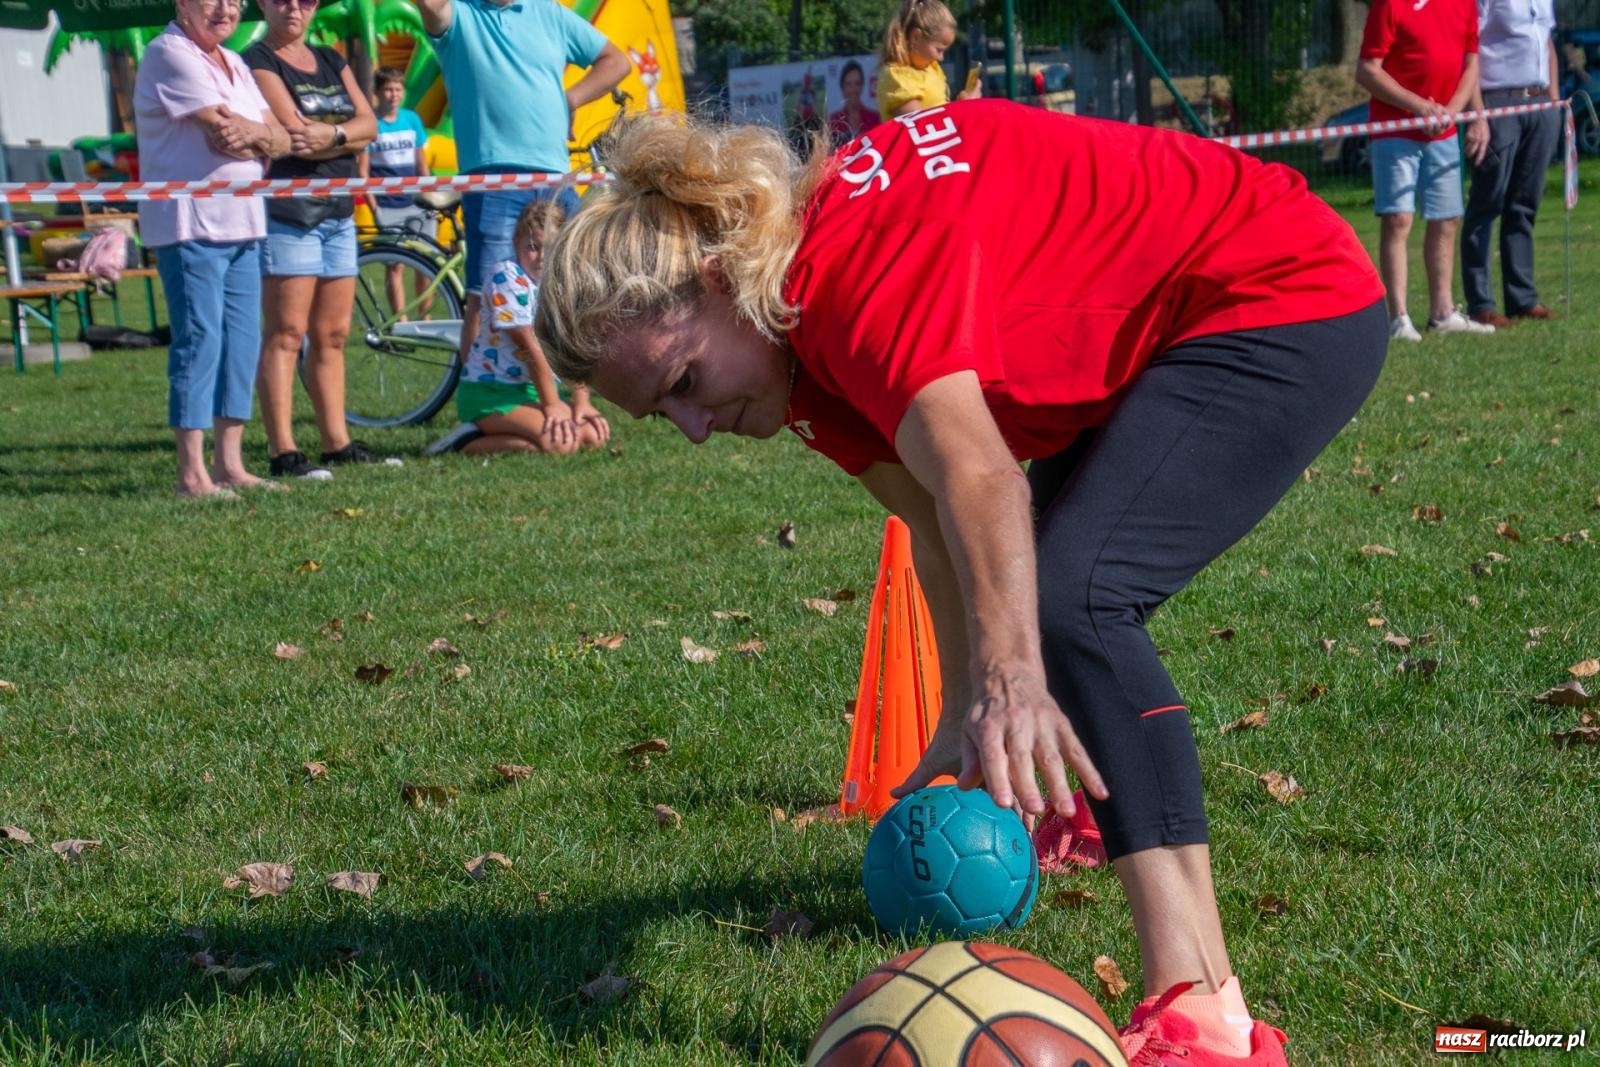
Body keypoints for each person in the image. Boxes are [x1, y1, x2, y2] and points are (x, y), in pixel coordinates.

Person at [534, 102, 1390, 1066]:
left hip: (1278, 290)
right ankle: (1074, 804)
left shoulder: (843, 284)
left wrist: (1012, 678)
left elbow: (982, 476)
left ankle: (1204, 1014)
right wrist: (964, 710)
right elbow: (938, 514)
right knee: (1039, 605)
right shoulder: (790, 348)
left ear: (716, 277)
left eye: (684, 383)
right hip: (1161, 330)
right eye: (662, 416)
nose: (695, 430)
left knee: (1071, 603)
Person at [417, 0, 629, 454]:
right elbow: (431, 8)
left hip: (555, 179)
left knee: (572, 296)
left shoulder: (549, 13)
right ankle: (476, 411)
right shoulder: (460, 15)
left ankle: (565, 400)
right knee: (484, 299)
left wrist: (570, 98)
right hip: (492, 180)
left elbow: (617, 62)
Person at [135, 0, 288, 498]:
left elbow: (284, 138)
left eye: (234, 0)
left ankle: (231, 464)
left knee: (241, 343)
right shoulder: (168, 52)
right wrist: (263, 136)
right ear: (182, 4)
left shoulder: (236, 62)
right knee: (200, 340)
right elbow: (223, 134)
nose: (226, 8)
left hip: (244, 222)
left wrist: (263, 136)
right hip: (190, 224)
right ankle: (191, 473)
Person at [246, 0, 395, 482]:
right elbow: (293, 132)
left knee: (332, 336)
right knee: (286, 335)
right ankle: (283, 450)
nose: (294, 7)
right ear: (263, 4)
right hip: (289, 213)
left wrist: (333, 134)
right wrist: (345, 135)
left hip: (338, 211)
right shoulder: (258, 59)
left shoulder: (331, 57)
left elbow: (368, 126)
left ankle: (337, 442)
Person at [1357, 0, 1496, 342]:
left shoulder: (1464, 5)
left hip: (1444, 132)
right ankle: (1399, 318)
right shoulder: (1391, 4)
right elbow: (1367, 70)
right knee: (1398, 219)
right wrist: (1418, 106)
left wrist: (1451, 111)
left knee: (1447, 219)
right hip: (1395, 131)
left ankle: (1443, 313)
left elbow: (1471, 63)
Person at [443, 200, 610, 455]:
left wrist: (582, 403)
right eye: (532, 247)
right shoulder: (506, 276)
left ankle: (520, 434)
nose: (541, 257)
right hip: (491, 393)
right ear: (515, 242)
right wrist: (552, 404)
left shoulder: (560, 282)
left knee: (591, 435)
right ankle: (465, 443)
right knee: (562, 444)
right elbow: (529, 345)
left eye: (550, 247)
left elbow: (571, 347)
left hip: (530, 391)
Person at [1461, 0, 1562, 327]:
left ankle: (1523, 298)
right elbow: (1469, 48)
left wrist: (1555, 103)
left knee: (1524, 205)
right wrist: (1478, 114)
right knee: (1487, 204)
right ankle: (1481, 304)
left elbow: (1546, 44)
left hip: (1540, 102)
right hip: (1498, 103)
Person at [359, 65, 434, 322]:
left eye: (398, 89)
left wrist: (429, 198)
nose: (393, 95)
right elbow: (363, 173)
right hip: (387, 205)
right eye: (388, 89)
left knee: (427, 261)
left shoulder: (412, 120)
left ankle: (425, 318)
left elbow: (422, 165)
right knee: (396, 265)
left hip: (416, 203)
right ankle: (400, 322)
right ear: (377, 93)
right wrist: (374, 208)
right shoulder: (371, 125)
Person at [876, 0, 981, 120]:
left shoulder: (931, 68)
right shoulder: (897, 76)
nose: (940, 58)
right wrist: (963, 108)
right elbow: (919, 126)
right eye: (938, 50)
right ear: (916, 37)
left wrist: (961, 104)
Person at [827, 60, 882, 146]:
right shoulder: (834, 120)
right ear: (842, 88)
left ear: (862, 86)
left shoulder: (875, 118)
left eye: (857, 83)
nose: (853, 89)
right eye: (848, 84)